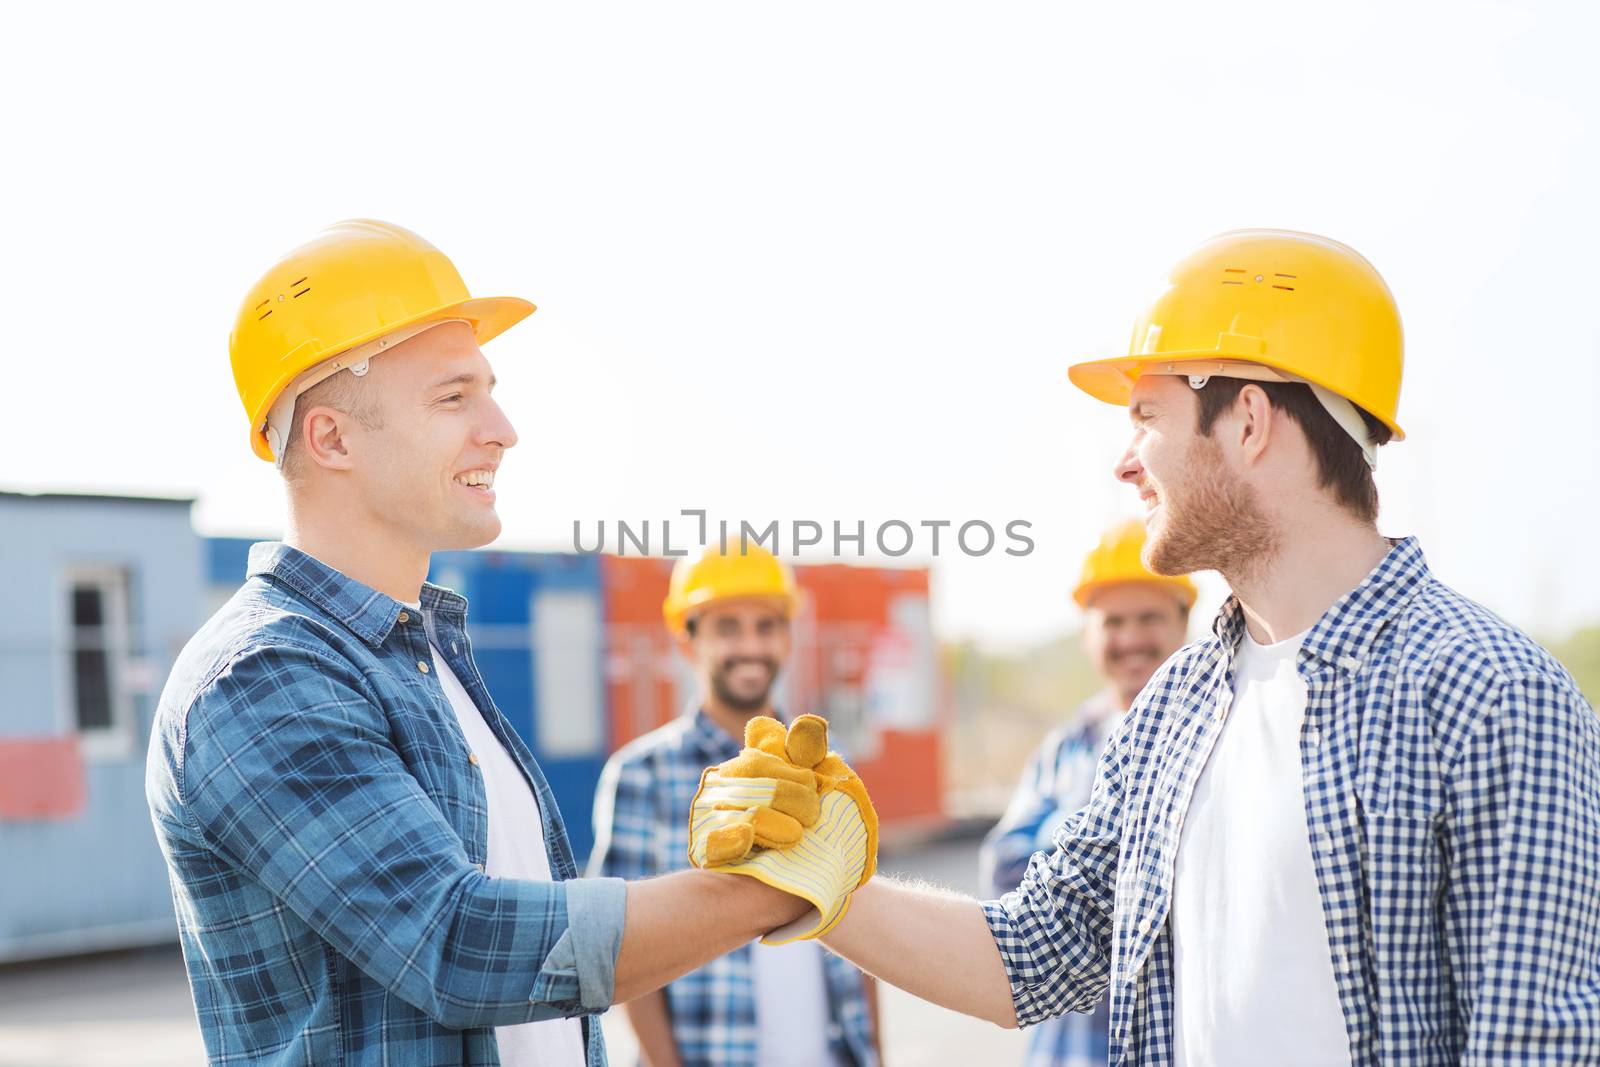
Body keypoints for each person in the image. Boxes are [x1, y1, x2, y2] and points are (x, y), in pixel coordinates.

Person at [693, 229, 1600, 1065]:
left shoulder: (1492, 694)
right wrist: (818, 877)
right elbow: (1030, 957)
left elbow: (1535, 1046)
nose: (1124, 462)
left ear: (1249, 421)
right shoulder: (1176, 708)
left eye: (1147, 416)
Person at [145, 220, 811, 1066]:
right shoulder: (260, 676)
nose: (502, 428)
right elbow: (460, 945)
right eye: (454, 396)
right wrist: (767, 887)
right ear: (333, 437)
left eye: (489, 390)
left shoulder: (426, 658)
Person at [589, 543, 880, 1067]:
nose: (750, 645)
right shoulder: (641, 777)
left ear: (787, 638)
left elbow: (865, 930)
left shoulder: (831, 772)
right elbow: (621, 952)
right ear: (687, 640)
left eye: (765, 626)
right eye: (728, 628)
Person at [979, 519, 1193, 1066]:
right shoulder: (1066, 748)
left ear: (1184, 621)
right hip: (1075, 1050)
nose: (1131, 639)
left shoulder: (1220, 731)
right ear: (1087, 634)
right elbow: (1004, 873)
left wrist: (1075, 857)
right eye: (1113, 621)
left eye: (1149, 618)